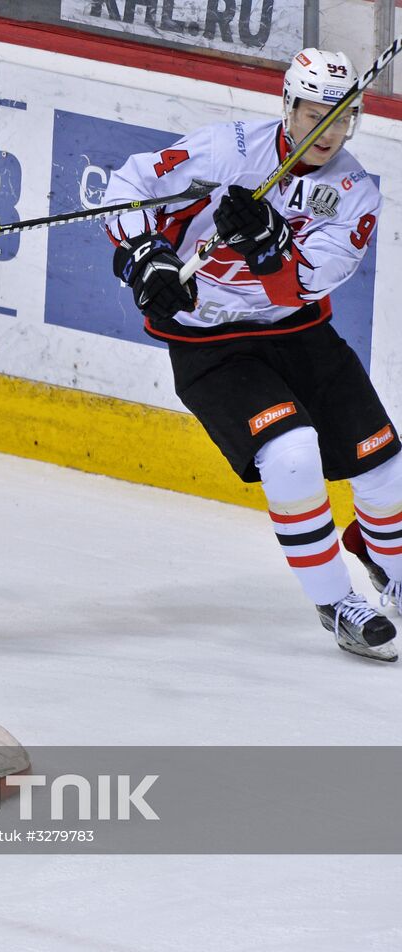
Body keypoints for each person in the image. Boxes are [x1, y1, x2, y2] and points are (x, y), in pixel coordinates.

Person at [103, 48, 396, 662]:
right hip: (211, 343)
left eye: (340, 117)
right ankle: (336, 602)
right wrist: (146, 256)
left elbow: (304, 285)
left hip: (298, 334)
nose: (326, 130)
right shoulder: (228, 148)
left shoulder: (353, 193)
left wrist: (270, 245)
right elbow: (128, 184)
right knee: (291, 452)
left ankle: (389, 566)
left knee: (384, 467)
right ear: (287, 106)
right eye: (313, 113)